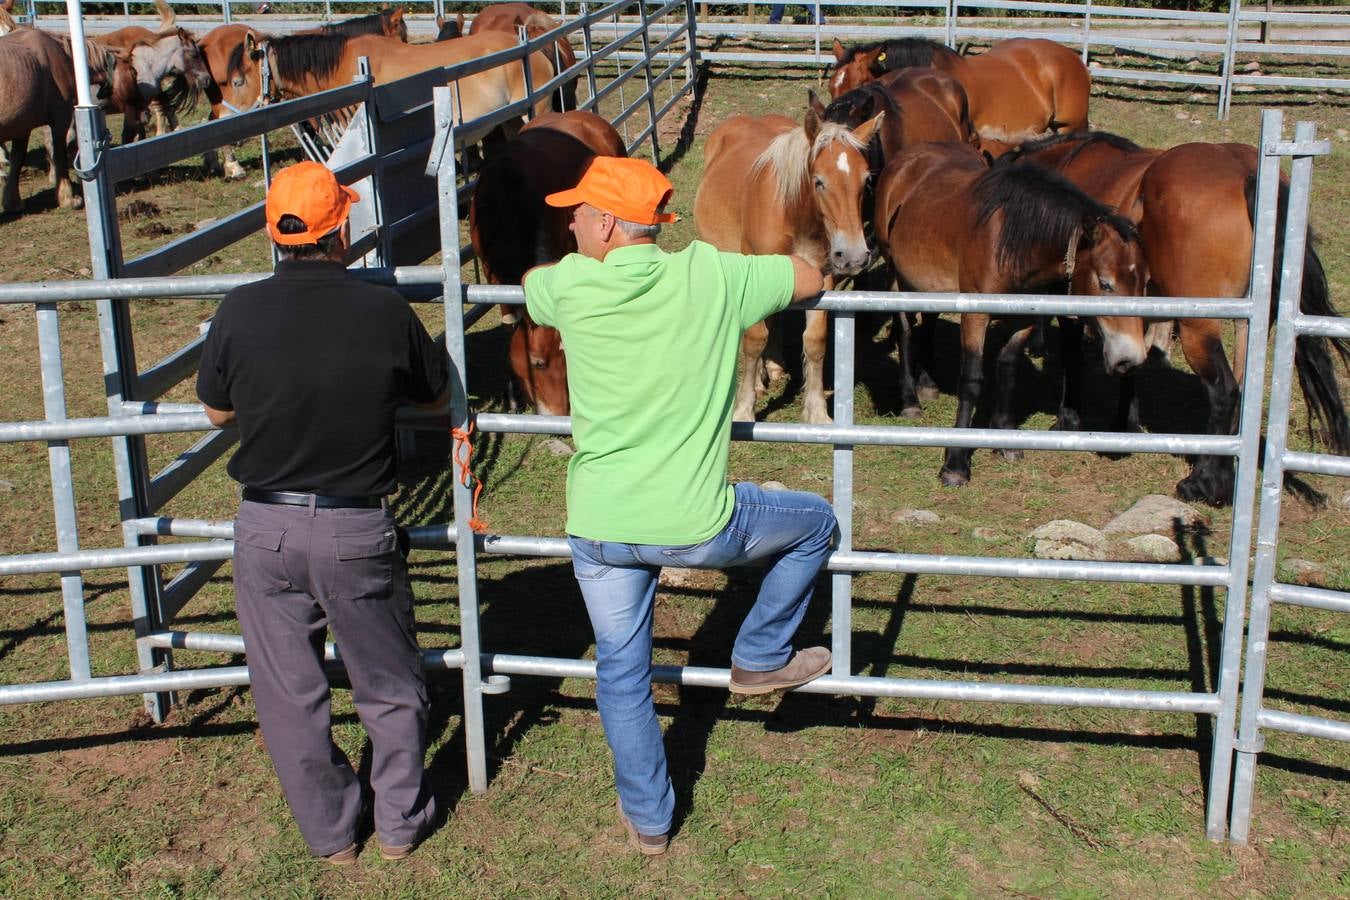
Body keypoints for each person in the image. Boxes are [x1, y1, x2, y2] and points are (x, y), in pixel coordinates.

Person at [522, 156, 837, 856]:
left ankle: (652, 823)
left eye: (576, 211)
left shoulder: (570, 286)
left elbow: (531, 289)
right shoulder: (714, 274)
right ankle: (759, 654)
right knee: (816, 522)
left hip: (599, 526)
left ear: (604, 223)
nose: (568, 220)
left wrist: (568, 272)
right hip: (695, 524)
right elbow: (813, 277)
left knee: (621, 672)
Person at [196, 161, 449, 865]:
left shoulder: (239, 309)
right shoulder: (384, 311)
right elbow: (433, 396)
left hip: (266, 525)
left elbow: (217, 408)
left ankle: (333, 833)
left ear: (274, 232)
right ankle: (399, 822)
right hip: (353, 524)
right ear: (342, 229)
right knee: (389, 681)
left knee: (288, 692)